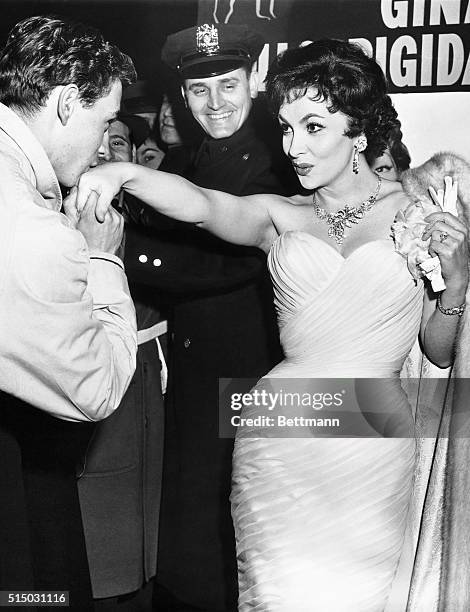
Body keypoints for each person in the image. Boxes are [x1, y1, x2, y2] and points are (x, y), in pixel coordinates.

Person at [75, 38, 468, 610]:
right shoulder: (282, 214)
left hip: (372, 433)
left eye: (313, 127)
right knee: (276, 595)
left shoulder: (417, 216)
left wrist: (456, 283)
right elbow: (204, 205)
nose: (294, 147)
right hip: (281, 429)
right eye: (286, 128)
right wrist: (122, 176)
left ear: (358, 130)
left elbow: (438, 351)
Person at [151, 22, 294, 612]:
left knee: (237, 536)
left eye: (227, 85)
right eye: (199, 89)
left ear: (255, 81)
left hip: (248, 379)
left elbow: (219, 264)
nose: (214, 103)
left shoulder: (275, 165)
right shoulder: (189, 164)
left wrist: (115, 253)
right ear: (182, 96)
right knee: (196, 534)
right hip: (197, 379)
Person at [0, 15, 137, 609]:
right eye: (103, 121)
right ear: (61, 104)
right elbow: (95, 391)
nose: (105, 142)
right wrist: (103, 260)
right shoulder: (37, 232)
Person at [76, 115, 165, 611]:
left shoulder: (153, 220)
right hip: (94, 373)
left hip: (148, 379)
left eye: (119, 144)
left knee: (143, 519)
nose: (107, 153)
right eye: (99, 141)